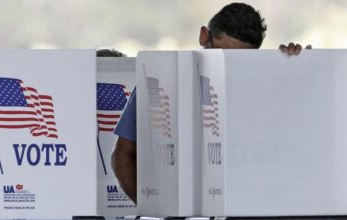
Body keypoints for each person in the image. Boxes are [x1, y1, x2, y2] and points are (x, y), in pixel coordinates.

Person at [111, 2, 310, 204]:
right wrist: (154, 210)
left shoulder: (263, 85)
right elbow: (123, 156)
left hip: (248, 209)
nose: (225, 67)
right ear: (204, 36)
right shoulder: (162, 78)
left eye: (239, 61)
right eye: (221, 55)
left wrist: (299, 66)